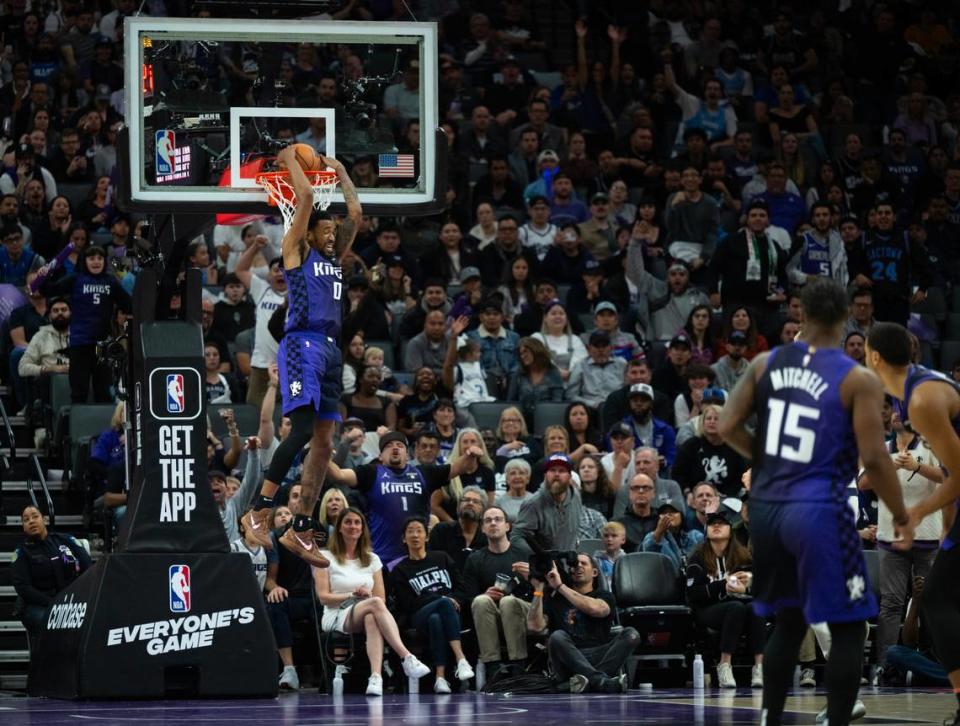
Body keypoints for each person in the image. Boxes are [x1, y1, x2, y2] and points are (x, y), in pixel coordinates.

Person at [718, 278, 914, 726]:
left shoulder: (765, 363)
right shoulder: (856, 377)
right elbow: (876, 460)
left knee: (789, 620)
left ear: (800, 315)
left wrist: (767, 460)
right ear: (847, 317)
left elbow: (726, 425)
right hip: (819, 508)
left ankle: (769, 719)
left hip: (769, 510)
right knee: (847, 627)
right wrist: (901, 514)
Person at [244, 148, 361, 566]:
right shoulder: (298, 250)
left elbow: (356, 214)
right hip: (303, 344)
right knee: (302, 430)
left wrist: (343, 170)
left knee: (325, 442)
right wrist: (288, 157)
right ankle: (258, 510)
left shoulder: (333, 259)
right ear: (309, 233)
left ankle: (301, 529)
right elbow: (307, 198)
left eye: (332, 231)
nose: (332, 235)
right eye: (326, 231)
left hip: (331, 350)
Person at [865, 322, 960, 725]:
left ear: (874, 357)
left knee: (938, 599)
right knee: (942, 599)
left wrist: (921, 513)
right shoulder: (918, 389)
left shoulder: (921, 400)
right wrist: (946, 529)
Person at [314, 508, 431, 696]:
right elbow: (324, 597)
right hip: (336, 615)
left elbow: (381, 598)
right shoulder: (325, 557)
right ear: (339, 528)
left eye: (357, 523)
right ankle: (407, 657)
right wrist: (353, 595)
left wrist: (365, 598)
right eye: (348, 522)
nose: (353, 526)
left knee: (372, 616)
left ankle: (375, 677)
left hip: (365, 611)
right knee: (374, 605)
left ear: (363, 529)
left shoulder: (372, 559)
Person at [326, 432, 487, 565]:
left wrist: (471, 454)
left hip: (417, 556)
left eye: (400, 445)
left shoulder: (424, 473)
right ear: (380, 456)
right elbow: (337, 474)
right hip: (381, 556)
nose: (395, 448)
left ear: (408, 455)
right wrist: (323, 453)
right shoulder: (371, 473)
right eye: (389, 446)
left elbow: (459, 467)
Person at [527, 551, 636, 693]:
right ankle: (600, 681)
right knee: (557, 636)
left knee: (631, 634)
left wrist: (560, 587)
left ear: (595, 572)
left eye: (583, 563)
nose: (578, 566)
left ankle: (584, 682)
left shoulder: (604, 595)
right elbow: (535, 627)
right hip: (567, 658)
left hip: (598, 656)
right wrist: (539, 589)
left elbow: (595, 609)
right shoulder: (556, 598)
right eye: (574, 564)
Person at [391, 517, 475, 693]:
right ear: (404, 539)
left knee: (437, 619)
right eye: (410, 531)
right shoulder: (400, 569)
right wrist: (440, 599)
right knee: (443, 604)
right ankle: (461, 659)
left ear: (427, 537)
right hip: (419, 615)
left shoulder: (442, 557)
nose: (415, 535)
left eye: (419, 530)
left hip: (450, 613)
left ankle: (440, 678)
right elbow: (408, 603)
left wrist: (454, 600)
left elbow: (461, 588)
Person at [685, 510, 765, 689]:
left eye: (722, 523)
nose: (716, 525)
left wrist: (748, 587)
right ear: (706, 531)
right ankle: (724, 664)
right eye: (712, 523)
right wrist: (723, 586)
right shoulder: (697, 558)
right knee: (735, 607)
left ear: (731, 529)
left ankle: (760, 666)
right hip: (707, 609)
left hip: (740, 606)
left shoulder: (743, 557)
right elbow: (693, 593)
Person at [463, 505, 534, 678]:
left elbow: (542, 589)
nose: (493, 523)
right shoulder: (475, 559)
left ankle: (518, 666)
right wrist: (485, 595)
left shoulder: (524, 553)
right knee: (480, 601)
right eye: (488, 520)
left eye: (498, 519)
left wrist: (532, 576)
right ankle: (493, 667)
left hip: (524, 613)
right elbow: (467, 599)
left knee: (508, 601)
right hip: (491, 616)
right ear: (482, 529)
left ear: (507, 526)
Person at [11, 505, 93, 639]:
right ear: (23, 527)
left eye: (35, 516)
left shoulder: (65, 540)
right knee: (52, 624)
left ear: (45, 520)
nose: (31, 521)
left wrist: (79, 597)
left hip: (73, 601)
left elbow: (88, 567)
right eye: (26, 519)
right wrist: (52, 603)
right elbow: (23, 587)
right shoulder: (21, 553)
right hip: (40, 604)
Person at [510, 453, 582, 552]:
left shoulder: (576, 495)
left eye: (562, 470)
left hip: (570, 562)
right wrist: (540, 555)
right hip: (546, 565)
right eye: (552, 470)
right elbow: (516, 537)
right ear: (545, 475)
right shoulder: (533, 503)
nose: (556, 474)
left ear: (569, 476)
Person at [429, 483, 489, 569]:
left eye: (476, 502)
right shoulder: (441, 530)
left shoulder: (487, 538)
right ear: (458, 506)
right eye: (466, 500)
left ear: (483, 511)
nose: (470, 503)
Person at [641, 494, 704, 571]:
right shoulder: (654, 537)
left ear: (682, 515)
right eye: (664, 513)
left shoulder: (695, 536)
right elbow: (648, 550)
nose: (668, 515)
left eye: (673, 511)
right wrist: (659, 532)